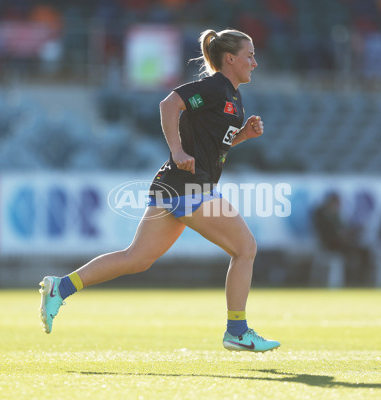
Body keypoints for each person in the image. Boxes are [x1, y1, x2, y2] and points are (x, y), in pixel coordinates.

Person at [38, 28, 280, 352]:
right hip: (190, 185)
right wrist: (177, 151)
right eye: (250, 55)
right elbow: (169, 104)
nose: (255, 62)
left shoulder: (233, 96)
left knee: (137, 259)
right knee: (245, 248)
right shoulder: (212, 87)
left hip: (177, 184)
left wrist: (242, 136)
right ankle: (237, 331)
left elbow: (212, 145)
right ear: (230, 58)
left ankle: (61, 287)